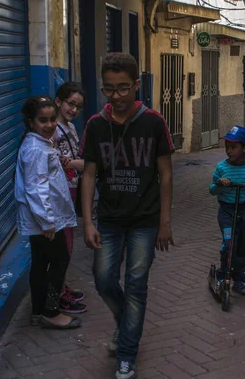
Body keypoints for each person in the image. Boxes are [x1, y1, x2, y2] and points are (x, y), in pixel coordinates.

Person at [79, 53, 175, 379]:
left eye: (123, 88)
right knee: (104, 280)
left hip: (145, 221)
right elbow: (89, 174)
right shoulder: (95, 125)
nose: (116, 96)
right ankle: (125, 323)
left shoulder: (153, 122)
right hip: (108, 219)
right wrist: (88, 222)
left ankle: (127, 353)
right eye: (109, 90)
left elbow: (165, 174)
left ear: (136, 85)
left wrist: (164, 222)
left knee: (136, 285)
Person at [14, 95, 81, 330]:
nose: (50, 124)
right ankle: (50, 312)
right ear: (31, 121)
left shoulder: (40, 143)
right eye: (43, 120)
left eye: (53, 119)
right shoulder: (35, 148)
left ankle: (38, 310)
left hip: (43, 220)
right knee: (60, 259)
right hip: (46, 221)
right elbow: (36, 187)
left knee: (41, 262)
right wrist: (47, 221)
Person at [209, 125, 245, 295]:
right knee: (229, 242)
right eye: (227, 147)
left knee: (243, 244)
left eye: (234, 147)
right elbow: (212, 189)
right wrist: (220, 184)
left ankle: (239, 279)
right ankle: (223, 274)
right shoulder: (221, 167)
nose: (229, 151)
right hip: (226, 211)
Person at [52, 82, 88, 314]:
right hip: (59, 193)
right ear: (58, 101)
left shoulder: (72, 128)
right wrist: (81, 165)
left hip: (72, 189)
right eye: (70, 104)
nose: (73, 110)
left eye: (78, 106)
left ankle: (61, 287)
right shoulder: (51, 130)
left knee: (68, 242)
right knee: (61, 245)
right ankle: (56, 294)